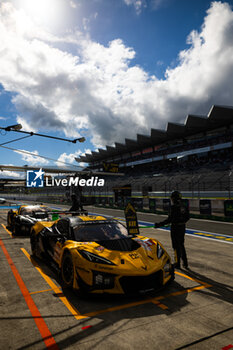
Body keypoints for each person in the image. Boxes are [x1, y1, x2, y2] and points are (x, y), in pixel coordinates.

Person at [154, 191, 190, 269]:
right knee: (181, 244)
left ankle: (177, 263)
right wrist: (181, 221)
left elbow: (169, 219)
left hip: (175, 228)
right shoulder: (183, 206)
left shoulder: (173, 207)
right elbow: (188, 217)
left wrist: (159, 224)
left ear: (174, 198)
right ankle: (185, 263)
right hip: (182, 227)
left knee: (176, 246)